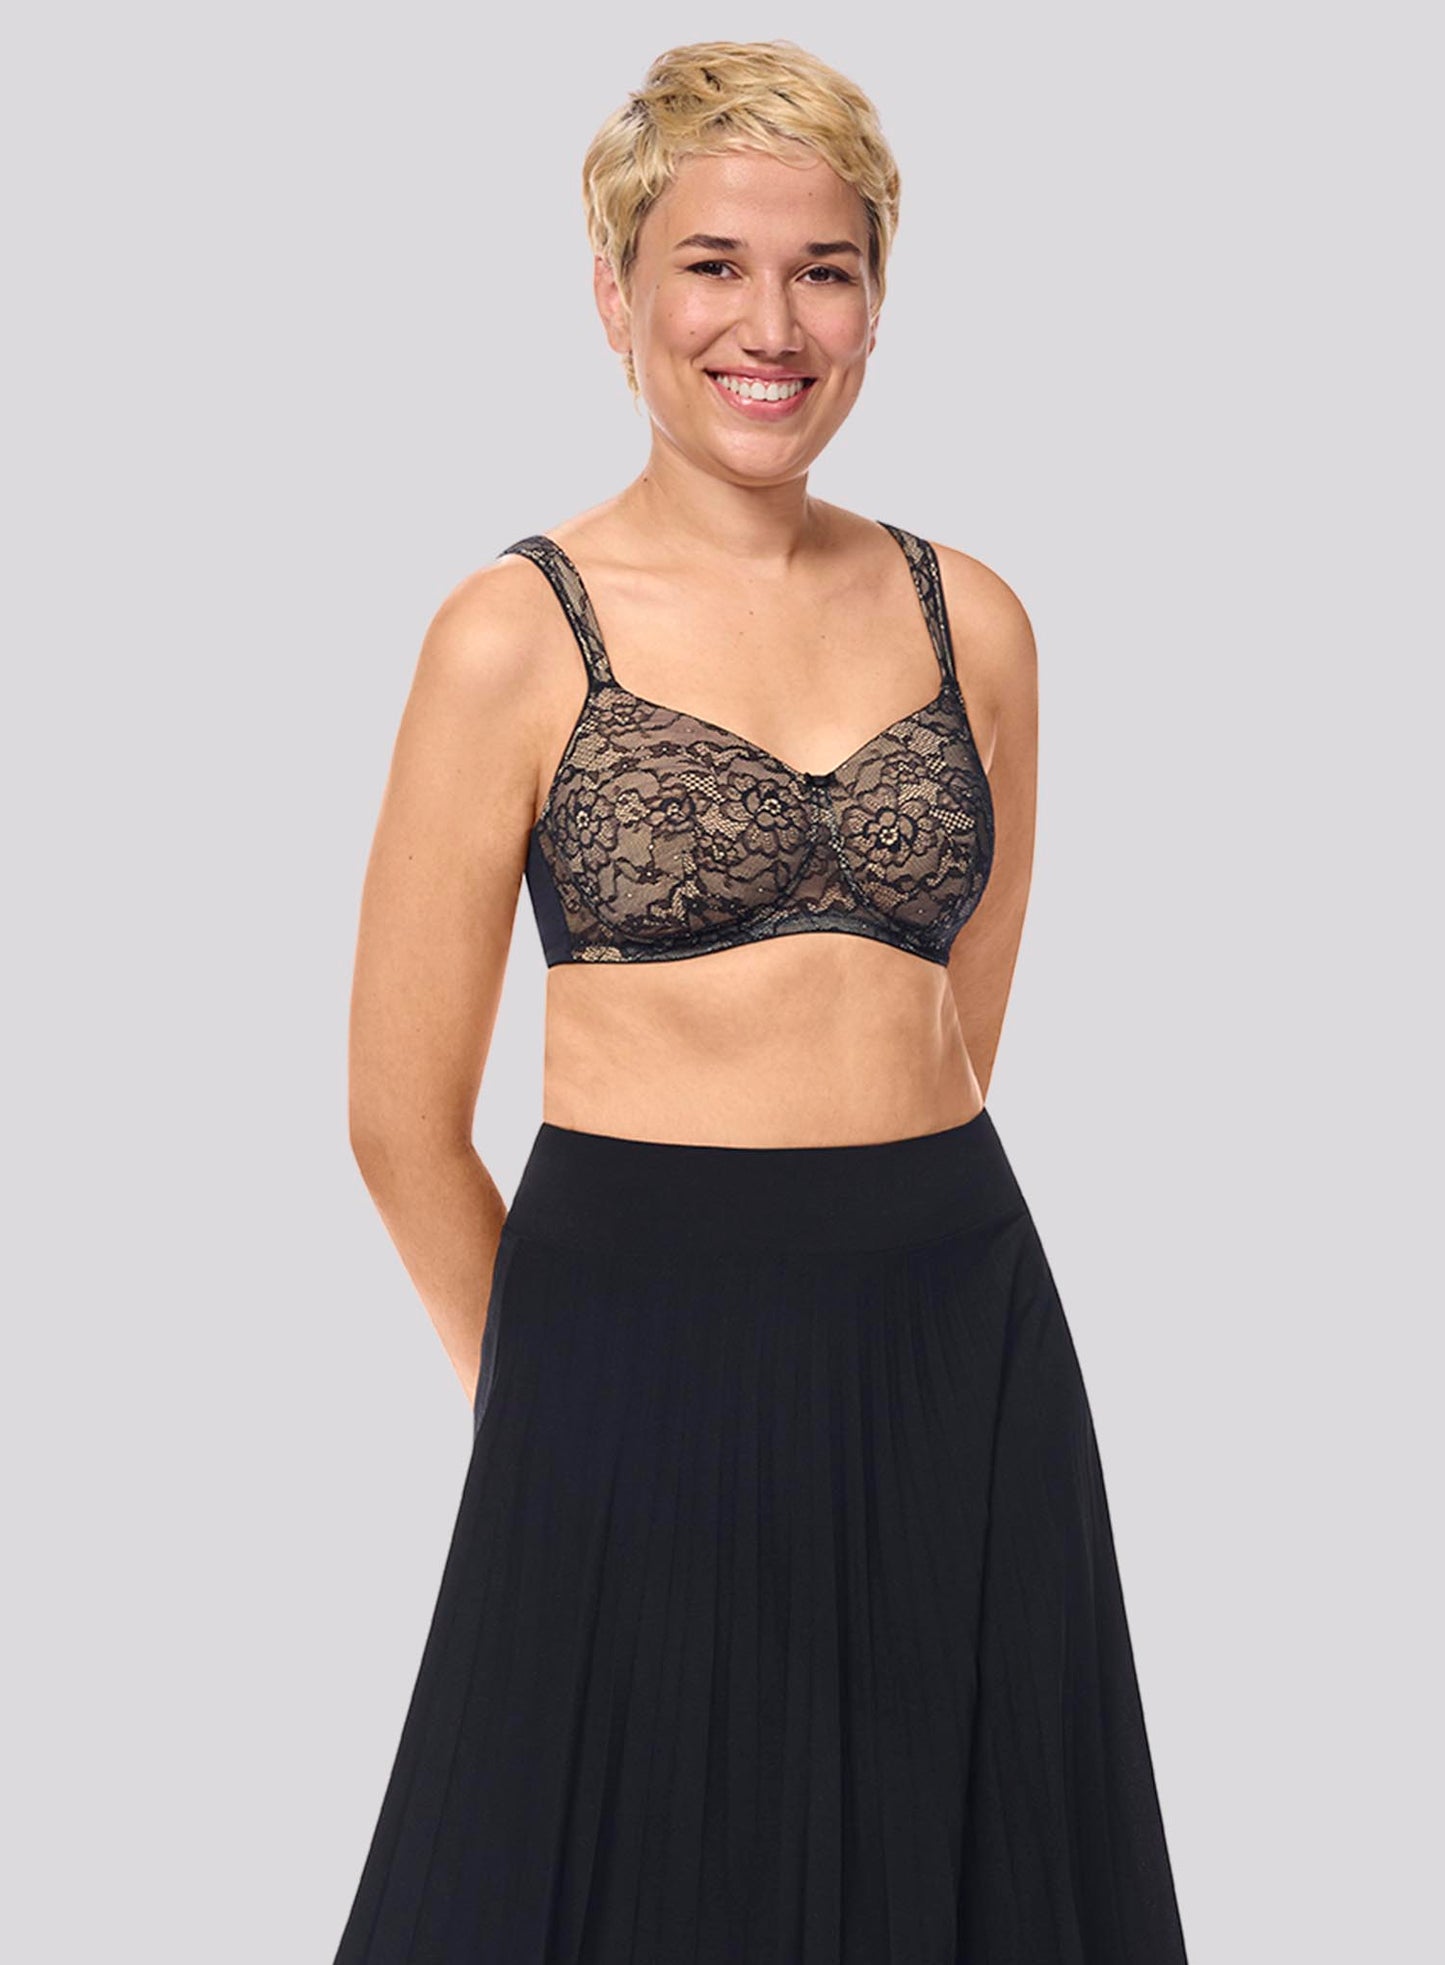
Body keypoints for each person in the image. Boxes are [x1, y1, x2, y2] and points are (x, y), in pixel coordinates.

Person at [333, 37, 1190, 1964]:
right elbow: (396, 1118)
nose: (771, 325)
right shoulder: (508, 634)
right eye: (712, 265)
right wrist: (551, 1390)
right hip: (626, 1339)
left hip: (955, 1329)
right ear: (615, 291)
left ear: (877, 300)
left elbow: (962, 1017)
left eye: (824, 270)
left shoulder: (975, 617)